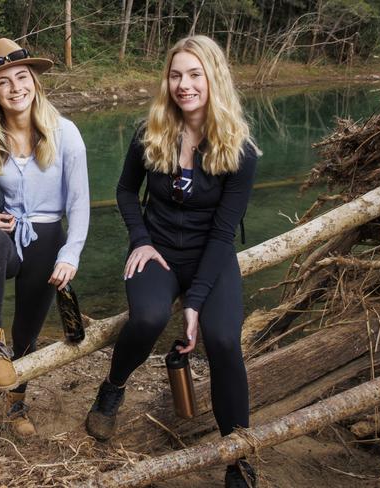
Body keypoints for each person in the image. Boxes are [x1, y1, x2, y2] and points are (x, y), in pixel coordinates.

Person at [85, 35, 259, 487]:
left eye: (195, 74)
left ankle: (239, 456)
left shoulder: (239, 149)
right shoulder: (151, 132)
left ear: (214, 78)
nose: (184, 85)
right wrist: (140, 239)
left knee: (222, 341)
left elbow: (224, 234)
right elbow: (125, 191)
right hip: (157, 250)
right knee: (145, 318)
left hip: (212, 257)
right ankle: (113, 388)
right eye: (176, 74)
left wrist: (195, 302)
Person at [0, 38, 90, 437]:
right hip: (4, 238)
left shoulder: (65, 133)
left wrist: (70, 255)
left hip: (48, 236)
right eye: (3, 83)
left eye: (22, 77)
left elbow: (80, 203)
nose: (15, 88)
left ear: (34, 81)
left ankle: (16, 405)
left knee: (28, 330)